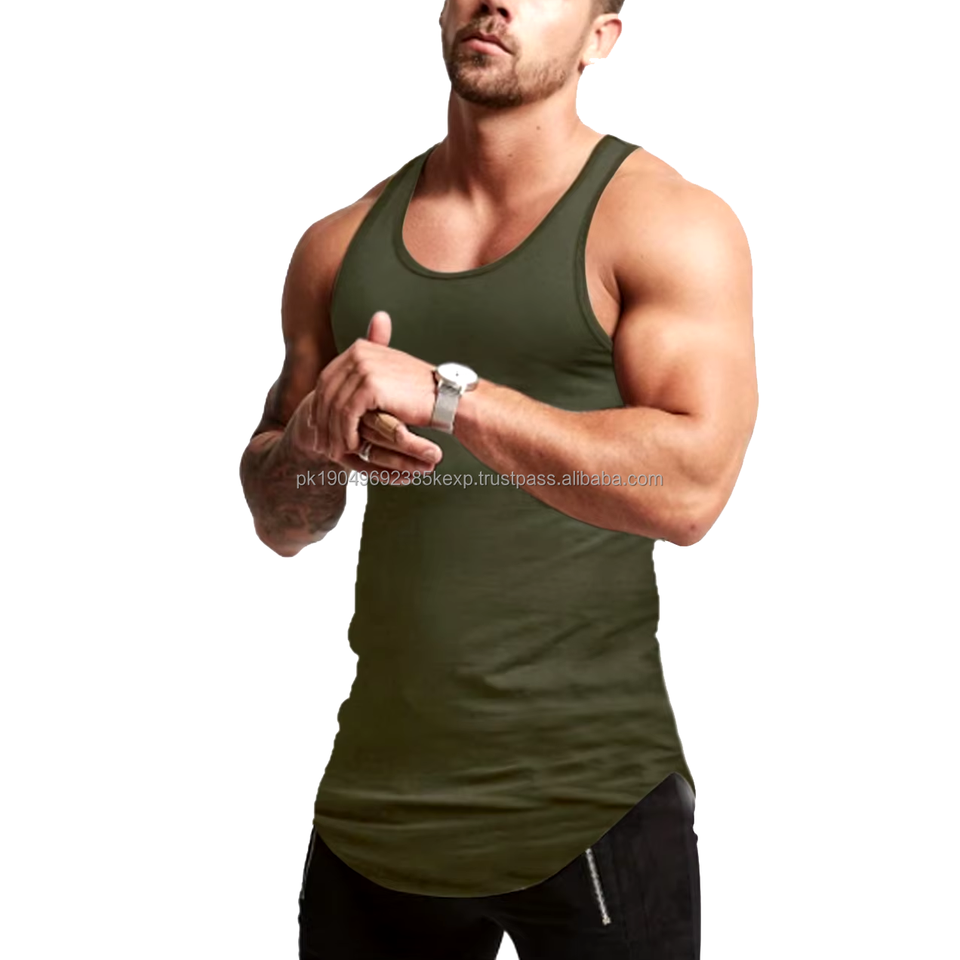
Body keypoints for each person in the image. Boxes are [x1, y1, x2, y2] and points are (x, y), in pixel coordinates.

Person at [239, 1, 757, 956]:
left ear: (601, 37)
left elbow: (691, 493)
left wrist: (452, 398)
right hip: (377, 810)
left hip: (591, 802)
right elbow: (283, 522)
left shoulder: (665, 221)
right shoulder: (338, 244)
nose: (498, 0)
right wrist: (309, 444)